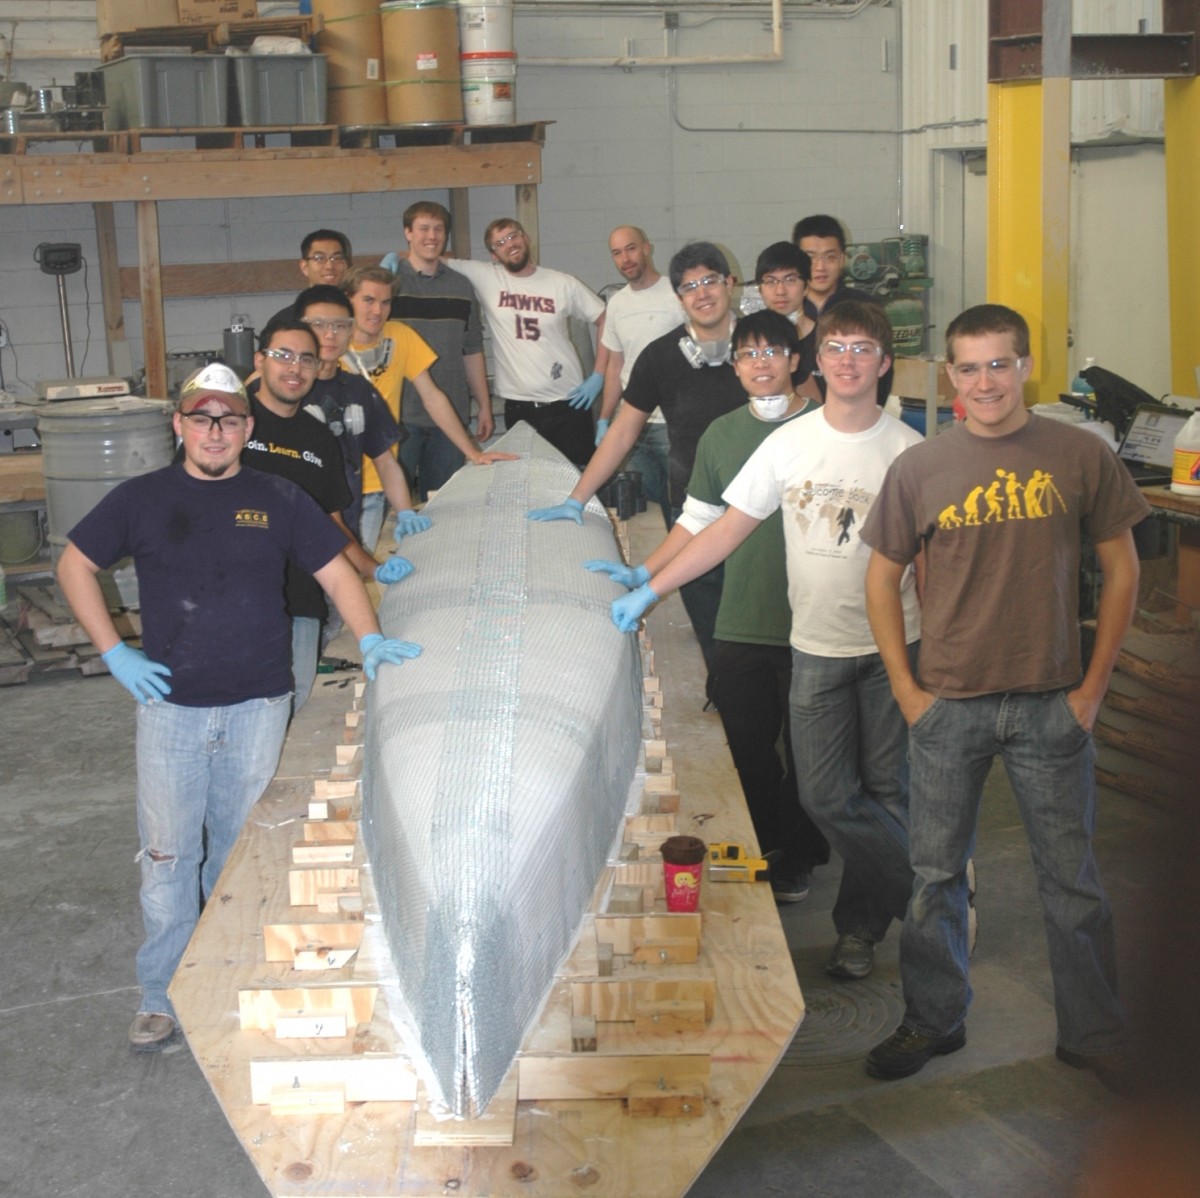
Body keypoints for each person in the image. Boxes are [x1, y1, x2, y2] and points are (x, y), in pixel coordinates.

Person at [55, 361, 420, 1053]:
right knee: (168, 856)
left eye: (228, 419)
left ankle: (223, 977)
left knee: (235, 851)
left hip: (258, 704)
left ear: (247, 428)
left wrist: (370, 638)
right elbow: (74, 565)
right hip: (171, 707)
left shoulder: (279, 497)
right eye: (202, 418)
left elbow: (337, 571)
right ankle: (162, 993)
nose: (215, 431)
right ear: (180, 426)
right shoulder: (140, 499)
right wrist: (114, 651)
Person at [860, 303, 1150, 1087]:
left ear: (1025, 367)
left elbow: (1124, 569)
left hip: (1052, 704)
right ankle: (934, 1019)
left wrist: (1092, 688)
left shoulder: (1079, 454)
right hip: (948, 704)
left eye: (999, 364)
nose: (984, 381)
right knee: (934, 878)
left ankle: (1094, 1032)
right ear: (949, 376)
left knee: (1073, 882)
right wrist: (907, 689)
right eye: (969, 367)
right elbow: (881, 580)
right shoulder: (921, 467)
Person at [611, 302, 922, 980]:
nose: (847, 360)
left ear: (883, 362)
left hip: (892, 648)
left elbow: (932, 560)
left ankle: (862, 929)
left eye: (862, 348)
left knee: (886, 792)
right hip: (813, 646)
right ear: (819, 361)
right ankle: (934, 897)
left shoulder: (909, 451)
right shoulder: (786, 444)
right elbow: (724, 528)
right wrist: (650, 588)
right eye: (836, 347)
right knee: (825, 796)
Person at [585, 310, 828, 901]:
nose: (760, 364)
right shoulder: (722, 434)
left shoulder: (825, 428)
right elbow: (698, 519)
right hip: (743, 617)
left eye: (772, 352)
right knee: (746, 747)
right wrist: (644, 574)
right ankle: (767, 841)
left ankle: (798, 859)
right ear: (735, 367)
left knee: (812, 758)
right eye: (748, 355)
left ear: (795, 360)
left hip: (816, 622)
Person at [527, 242, 746, 684]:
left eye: (709, 281)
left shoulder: (763, 347)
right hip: (696, 512)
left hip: (765, 514)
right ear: (678, 298)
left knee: (766, 634)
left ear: (729, 283)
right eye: (689, 287)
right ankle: (729, 699)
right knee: (715, 634)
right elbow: (624, 432)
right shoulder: (661, 357)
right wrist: (577, 498)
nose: (702, 294)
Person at [247, 320, 415, 712]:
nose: (295, 368)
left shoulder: (319, 438)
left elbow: (332, 525)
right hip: (234, 601)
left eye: (306, 359)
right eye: (283, 355)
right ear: (259, 360)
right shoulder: (230, 424)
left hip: (301, 602)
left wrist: (373, 570)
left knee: (289, 703)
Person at [341, 265, 515, 551]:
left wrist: (472, 452)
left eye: (385, 302)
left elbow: (433, 398)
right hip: (337, 485)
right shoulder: (329, 346)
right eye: (368, 300)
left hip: (379, 480)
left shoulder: (400, 336)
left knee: (360, 565)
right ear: (348, 300)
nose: (377, 311)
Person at [445, 218, 607, 467]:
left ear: (525, 238)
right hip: (521, 409)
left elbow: (606, 320)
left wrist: (599, 374)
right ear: (494, 255)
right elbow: (430, 257)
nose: (509, 244)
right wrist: (394, 259)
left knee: (578, 480)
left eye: (513, 236)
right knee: (529, 482)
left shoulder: (562, 283)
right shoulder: (486, 276)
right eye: (500, 243)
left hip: (569, 404)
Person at [294, 284, 429, 545]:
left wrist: (404, 511)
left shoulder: (359, 390)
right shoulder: (284, 388)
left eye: (340, 325)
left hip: (349, 521)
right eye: (318, 324)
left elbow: (385, 461)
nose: (330, 334)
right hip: (296, 524)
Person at [385, 200, 495, 500]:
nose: (431, 236)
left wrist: (484, 406)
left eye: (438, 229)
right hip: (398, 417)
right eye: (423, 228)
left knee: (444, 505)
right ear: (408, 233)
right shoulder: (389, 285)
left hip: (451, 418)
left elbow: (472, 348)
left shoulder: (461, 287)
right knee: (393, 505)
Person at [594, 225, 684, 524]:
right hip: (632, 425)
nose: (625, 259)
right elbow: (615, 366)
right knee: (648, 510)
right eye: (617, 253)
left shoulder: (677, 293)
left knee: (682, 507)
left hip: (671, 424)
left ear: (647, 247)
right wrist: (605, 418)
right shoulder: (617, 304)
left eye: (631, 249)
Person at [792, 214, 892, 406]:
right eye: (810, 258)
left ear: (842, 259)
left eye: (830, 257)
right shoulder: (787, 309)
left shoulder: (866, 307)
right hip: (801, 416)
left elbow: (884, 371)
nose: (820, 267)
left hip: (857, 412)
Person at [265, 228, 353, 328]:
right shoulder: (285, 322)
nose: (329, 266)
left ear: (346, 265)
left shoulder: (359, 317)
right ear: (304, 267)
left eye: (337, 258)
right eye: (319, 258)